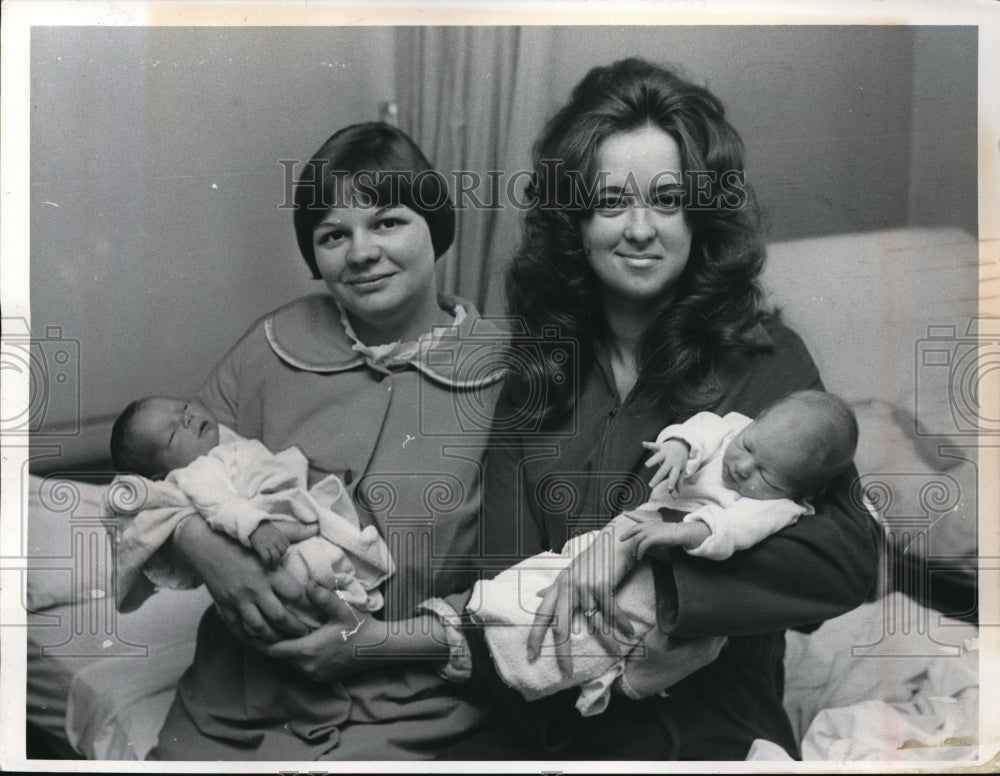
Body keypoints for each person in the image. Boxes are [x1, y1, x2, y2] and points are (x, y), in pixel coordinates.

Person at [213, 59, 882, 762]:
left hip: (712, 723)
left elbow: (844, 562)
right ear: (573, 217)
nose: (640, 229)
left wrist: (644, 558)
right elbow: (502, 586)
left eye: (667, 199)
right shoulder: (535, 372)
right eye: (610, 202)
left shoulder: (763, 357)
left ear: (702, 214)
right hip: (553, 721)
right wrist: (372, 643)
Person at [112, 122, 509, 760]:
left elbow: (535, 584)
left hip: (424, 714)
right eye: (333, 235)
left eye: (387, 222)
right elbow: (137, 489)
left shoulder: (508, 372)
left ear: (435, 223)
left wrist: (381, 643)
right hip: (234, 707)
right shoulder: (271, 345)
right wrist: (202, 545)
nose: (360, 252)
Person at [471, 389, 859, 718]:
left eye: (766, 476)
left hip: (686, 570)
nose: (741, 466)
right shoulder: (735, 427)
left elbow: (732, 529)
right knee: (563, 579)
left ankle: (611, 684)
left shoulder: (783, 506)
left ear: (805, 493)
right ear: (754, 422)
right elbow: (701, 430)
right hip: (639, 532)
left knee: (669, 644)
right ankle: (494, 625)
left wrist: (677, 531)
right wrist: (678, 447)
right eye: (747, 446)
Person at [107, 395, 392, 617]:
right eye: (172, 434)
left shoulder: (223, 443)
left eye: (183, 407)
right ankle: (354, 600)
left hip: (287, 515)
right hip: (266, 532)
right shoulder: (196, 472)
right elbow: (220, 504)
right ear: (160, 475)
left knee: (327, 557)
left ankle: (353, 598)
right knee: (311, 568)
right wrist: (256, 528)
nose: (188, 418)